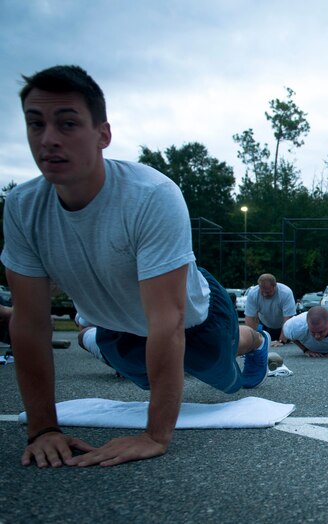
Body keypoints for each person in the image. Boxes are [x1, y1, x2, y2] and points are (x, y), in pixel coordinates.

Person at [4, 65, 271, 469]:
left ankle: (256, 340)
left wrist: (154, 435)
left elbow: (168, 320)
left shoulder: (151, 195)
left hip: (193, 319)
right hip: (121, 328)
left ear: (103, 135)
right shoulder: (23, 207)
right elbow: (29, 322)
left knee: (224, 380)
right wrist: (42, 429)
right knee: (149, 375)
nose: (48, 139)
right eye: (35, 124)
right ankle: (95, 339)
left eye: (68, 123)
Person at [244, 273, 297, 347]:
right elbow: (250, 318)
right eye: (262, 291)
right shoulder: (253, 293)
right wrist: (251, 341)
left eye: (268, 292)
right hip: (265, 325)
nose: (264, 294)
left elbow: (288, 319)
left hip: (285, 327)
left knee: (285, 342)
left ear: (275, 286)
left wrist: (282, 341)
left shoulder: (285, 293)